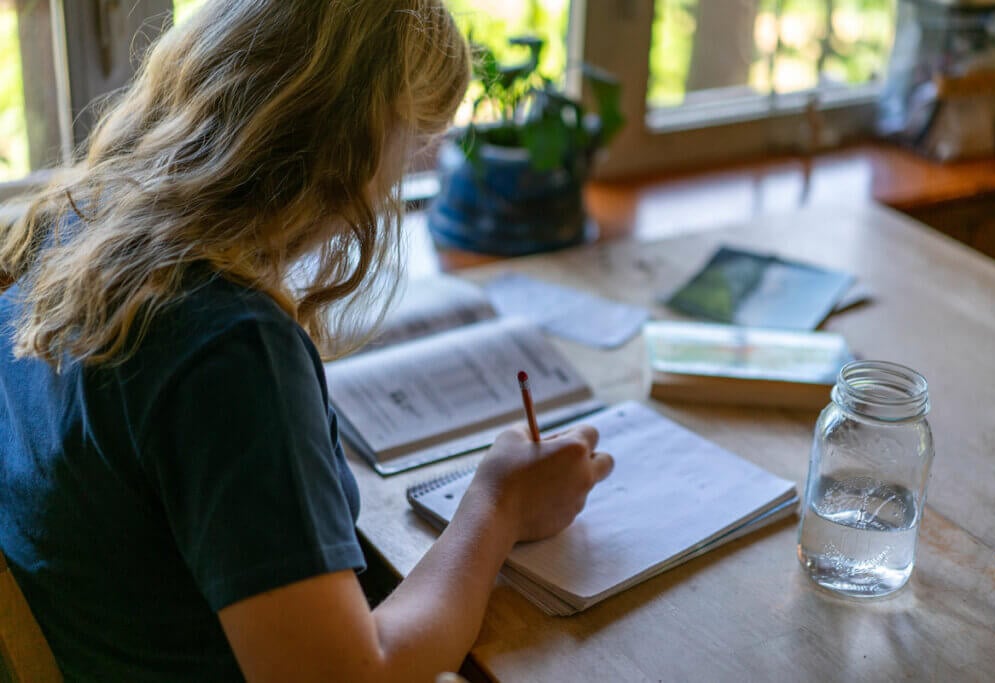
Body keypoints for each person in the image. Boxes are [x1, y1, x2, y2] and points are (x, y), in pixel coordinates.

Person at [0, 2, 613, 681]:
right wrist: (497, 505)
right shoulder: (228, 348)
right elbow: (352, 673)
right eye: (410, 144)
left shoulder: (65, 230)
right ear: (346, 144)